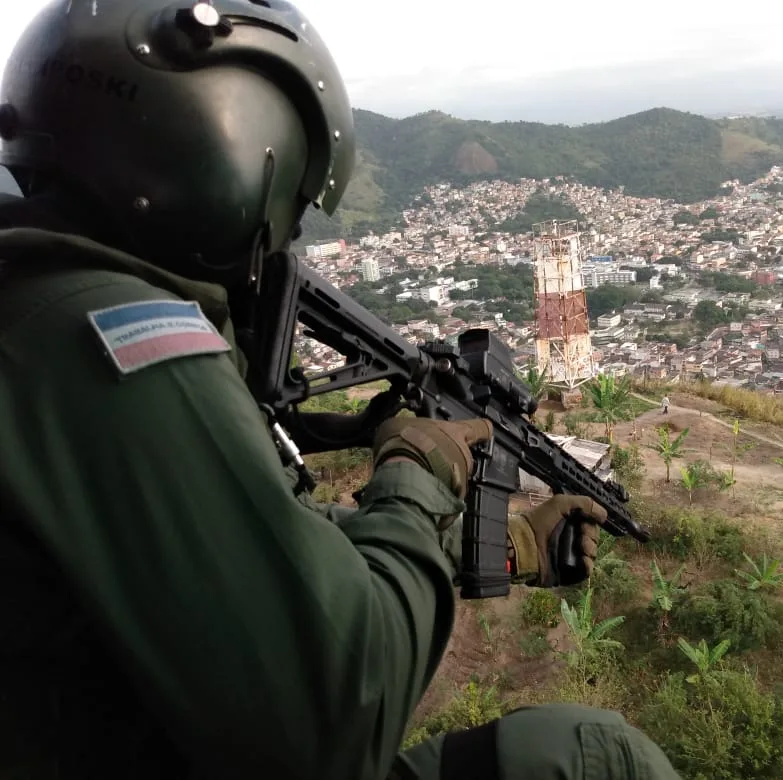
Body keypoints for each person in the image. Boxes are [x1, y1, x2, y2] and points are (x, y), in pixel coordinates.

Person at [0, 1, 680, 779]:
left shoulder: (42, 311)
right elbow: (337, 725)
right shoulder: (119, 339)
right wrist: (415, 480)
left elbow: (223, 555)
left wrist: (491, 545)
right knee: (594, 757)